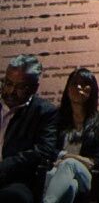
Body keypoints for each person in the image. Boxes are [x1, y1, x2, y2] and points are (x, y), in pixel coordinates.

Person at [40, 69, 99, 203]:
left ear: (92, 90)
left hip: (86, 177)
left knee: (69, 164)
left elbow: (96, 162)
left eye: (84, 84)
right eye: (74, 83)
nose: (78, 87)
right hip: (57, 171)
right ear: (67, 88)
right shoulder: (57, 117)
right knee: (70, 186)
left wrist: (67, 156)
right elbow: (48, 149)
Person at [0, 55, 59, 203]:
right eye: (8, 83)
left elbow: (45, 150)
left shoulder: (44, 112)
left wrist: (6, 165)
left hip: (15, 179)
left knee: (14, 197)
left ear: (35, 88)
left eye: (20, 87)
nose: (11, 91)